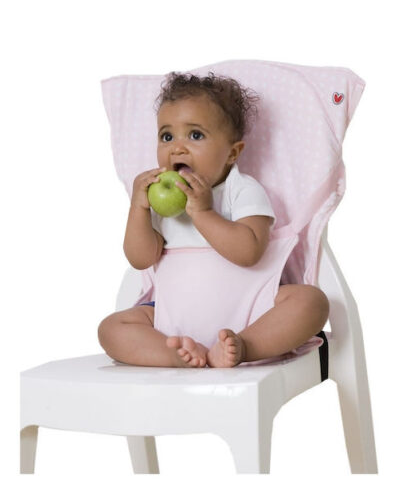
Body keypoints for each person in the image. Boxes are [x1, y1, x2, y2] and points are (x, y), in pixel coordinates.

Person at [98, 72, 329, 368]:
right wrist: (138, 209)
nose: (177, 147)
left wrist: (203, 213)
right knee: (111, 329)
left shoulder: (241, 190)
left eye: (195, 135)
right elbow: (140, 259)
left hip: (251, 314)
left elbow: (249, 252)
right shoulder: (160, 202)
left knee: (311, 302)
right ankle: (176, 356)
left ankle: (244, 347)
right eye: (167, 136)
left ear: (232, 153)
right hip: (171, 322)